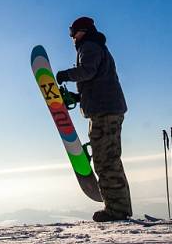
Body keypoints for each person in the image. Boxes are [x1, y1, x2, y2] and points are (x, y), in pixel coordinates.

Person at [56, 17, 132, 222]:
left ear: (83, 31)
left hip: (105, 112)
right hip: (106, 108)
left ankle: (116, 210)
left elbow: (87, 72)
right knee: (110, 159)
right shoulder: (95, 47)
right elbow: (97, 82)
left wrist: (65, 75)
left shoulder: (89, 46)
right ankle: (121, 207)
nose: (71, 37)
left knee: (105, 160)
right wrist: (79, 98)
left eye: (73, 32)